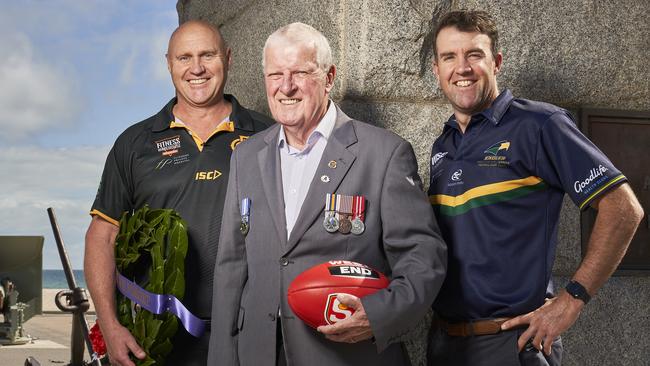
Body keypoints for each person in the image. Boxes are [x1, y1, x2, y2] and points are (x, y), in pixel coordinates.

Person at [208, 22, 447, 366]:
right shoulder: (246, 157)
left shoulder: (383, 154)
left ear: (329, 76)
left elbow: (424, 257)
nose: (286, 87)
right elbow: (231, 266)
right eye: (275, 74)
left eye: (300, 73)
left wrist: (378, 315)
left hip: (346, 355)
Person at [426, 10, 644, 366]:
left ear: (495, 63)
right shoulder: (443, 145)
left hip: (511, 344)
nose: (461, 68)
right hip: (446, 344)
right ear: (437, 71)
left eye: (474, 55)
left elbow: (623, 208)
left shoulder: (540, 125)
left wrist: (572, 299)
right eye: (449, 57)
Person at [84, 20, 272, 366]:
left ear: (228, 59)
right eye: (184, 58)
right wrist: (109, 325)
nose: (196, 68)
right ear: (168, 63)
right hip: (157, 338)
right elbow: (102, 236)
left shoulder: (269, 135)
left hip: (248, 333)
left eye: (207, 55)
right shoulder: (134, 143)